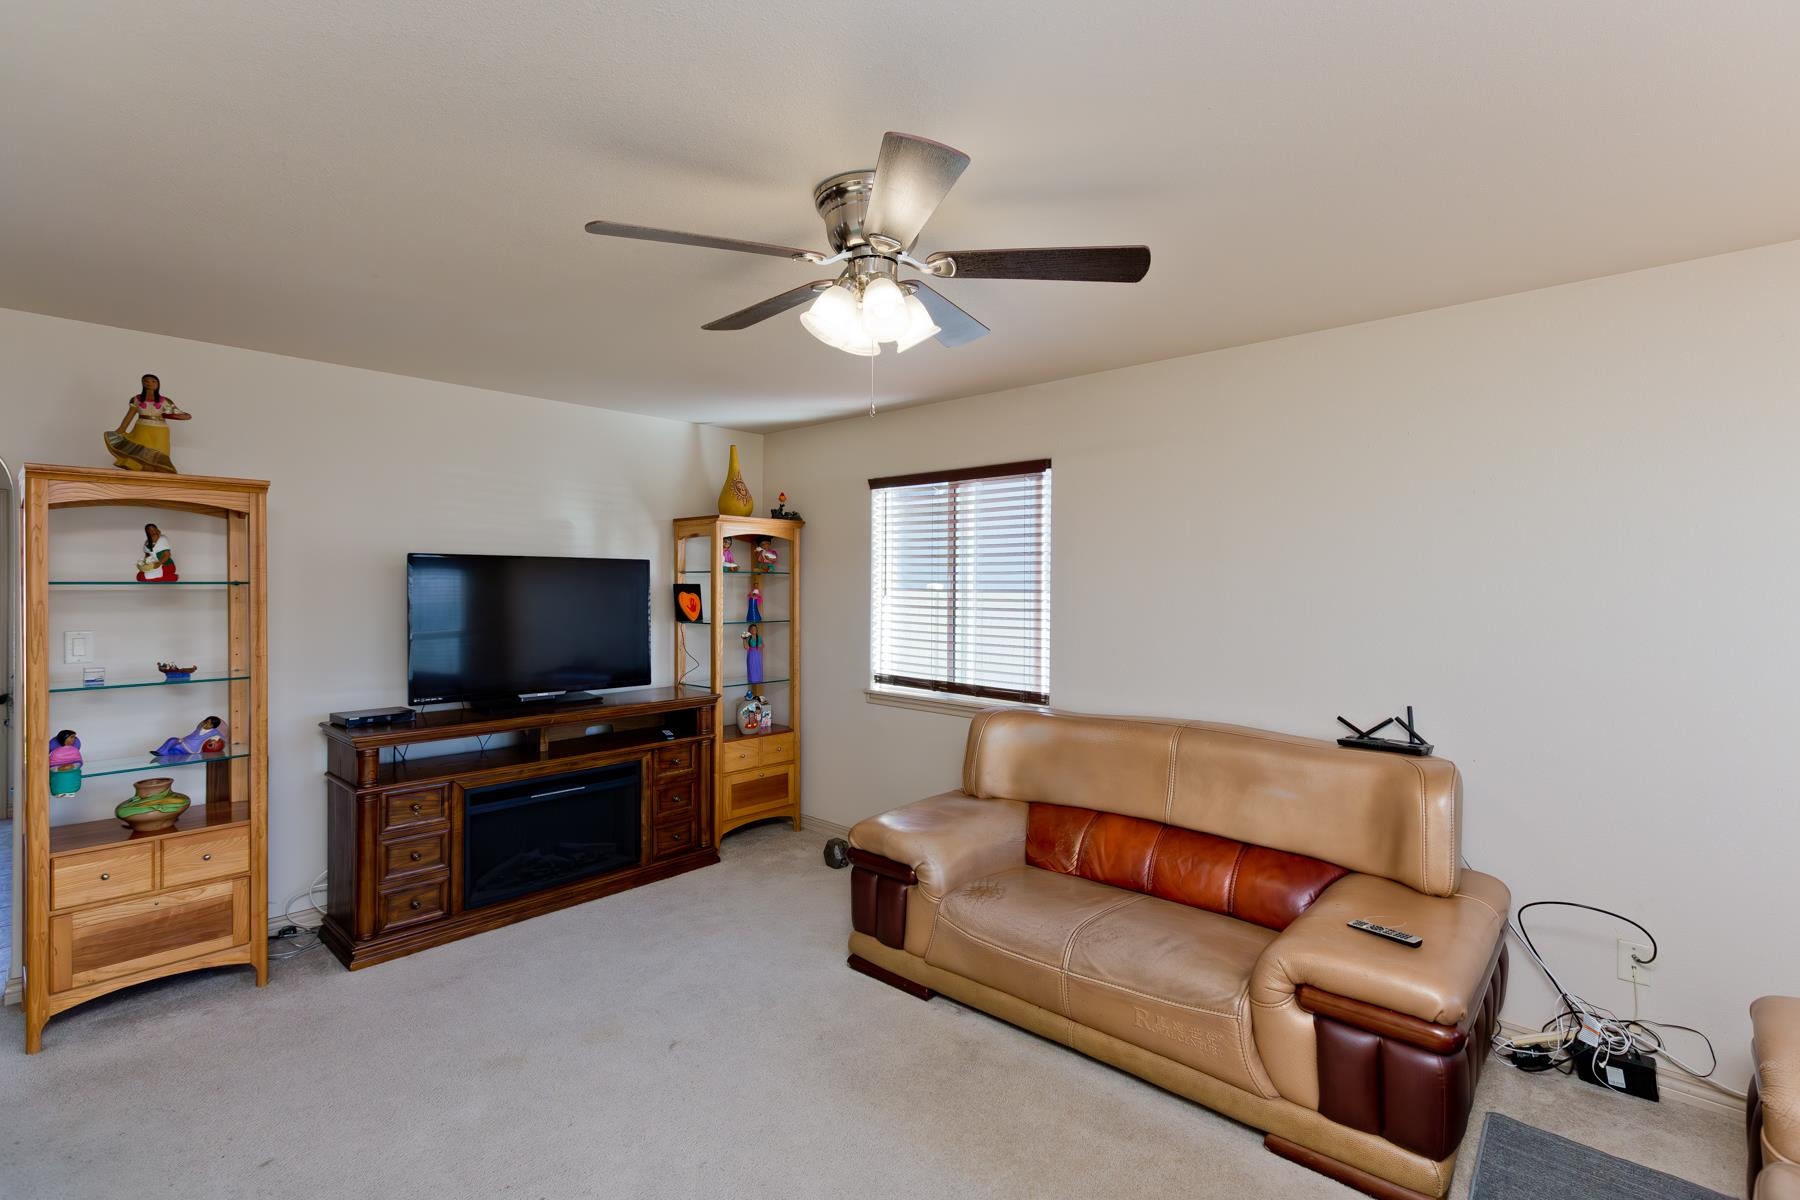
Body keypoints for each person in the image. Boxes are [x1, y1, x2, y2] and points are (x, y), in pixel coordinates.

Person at [103, 374, 189, 473]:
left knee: (160, 451)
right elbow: (129, 415)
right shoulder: (136, 399)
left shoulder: (165, 401)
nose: (149, 383)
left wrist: (183, 416)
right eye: (146, 381)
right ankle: (138, 468)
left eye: (153, 381)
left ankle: (159, 473)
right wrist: (120, 430)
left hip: (160, 430)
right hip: (141, 428)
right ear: (142, 383)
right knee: (139, 449)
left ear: (158, 384)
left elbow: (178, 413)